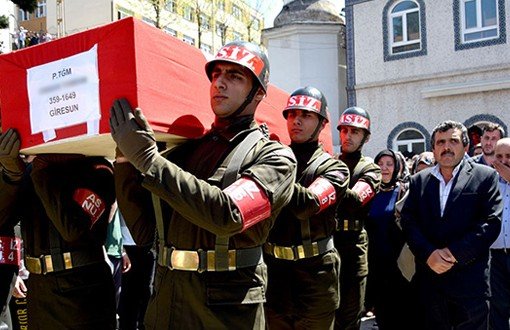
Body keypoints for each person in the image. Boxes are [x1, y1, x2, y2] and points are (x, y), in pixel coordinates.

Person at [111, 40, 297, 329]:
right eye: (216, 74)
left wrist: (148, 160)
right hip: (166, 300)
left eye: (235, 76)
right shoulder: (185, 149)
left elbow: (229, 214)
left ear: (258, 93)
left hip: (225, 310)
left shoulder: (275, 156)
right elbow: (147, 231)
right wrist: (124, 160)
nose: (220, 82)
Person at [0, 129, 117, 329]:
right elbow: (3, 221)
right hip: (39, 290)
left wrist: (42, 169)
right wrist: (11, 176)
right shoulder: (31, 171)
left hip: (82, 293)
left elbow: (72, 229)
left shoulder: (99, 169)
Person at [401, 120, 502, 329]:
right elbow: (409, 222)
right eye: (440, 142)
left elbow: (491, 223)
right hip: (430, 284)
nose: (446, 147)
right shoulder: (419, 180)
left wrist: (453, 254)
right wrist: (429, 254)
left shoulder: (485, 176)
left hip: (469, 284)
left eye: (453, 141)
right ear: (433, 148)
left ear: (465, 146)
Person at [263, 86, 349, 329]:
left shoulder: (336, 169)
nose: (296, 121)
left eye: (306, 115)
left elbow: (307, 205)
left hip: (315, 274)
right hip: (274, 270)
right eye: (291, 114)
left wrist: (270, 165)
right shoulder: (277, 157)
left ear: (322, 123)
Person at [333, 107, 381, 330]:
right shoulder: (330, 161)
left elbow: (354, 201)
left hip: (353, 246)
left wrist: (328, 183)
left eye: (355, 132)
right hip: (328, 243)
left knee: (349, 316)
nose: (348, 136)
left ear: (366, 137)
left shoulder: (370, 168)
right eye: (344, 130)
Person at [365, 149, 414, 329]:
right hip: (375, 264)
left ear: (397, 167)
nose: (384, 168)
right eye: (380, 164)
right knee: (383, 314)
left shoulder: (404, 191)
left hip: (399, 264)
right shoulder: (369, 192)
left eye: (389, 164)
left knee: (403, 313)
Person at [489, 137, 510, 330]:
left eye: (509, 156)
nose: (503, 161)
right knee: (498, 306)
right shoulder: (490, 182)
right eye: (499, 156)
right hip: (495, 256)